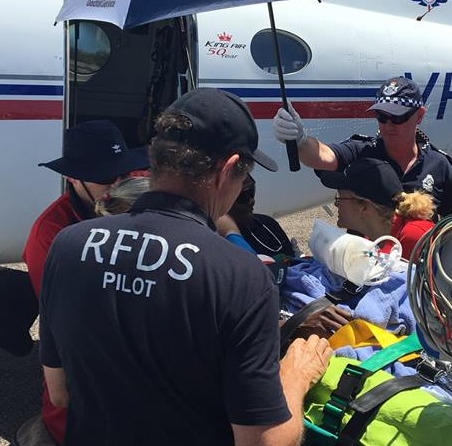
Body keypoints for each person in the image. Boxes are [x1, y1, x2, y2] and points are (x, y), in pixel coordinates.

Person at [38, 88, 332, 446]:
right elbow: (263, 442)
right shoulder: (241, 276)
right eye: (244, 179)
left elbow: (60, 393)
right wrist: (296, 375)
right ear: (226, 170)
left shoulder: (69, 245)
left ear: (156, 159)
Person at [19, 119, 149, 446]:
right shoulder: (48, 237)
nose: (117, 185)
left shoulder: (134, 189)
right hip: (83, 401)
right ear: (71, 177)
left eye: (124, 173)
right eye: (106, 177)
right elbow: (73, 335)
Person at [273, 76, 452, 217]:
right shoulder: (362, 151)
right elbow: (322, 156)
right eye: (382, 116)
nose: (389, 125)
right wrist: (301, 140)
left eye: (398, 117)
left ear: (419, 115)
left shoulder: (439, 165)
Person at [318, 157, 436, 260]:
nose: (336, 204)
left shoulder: (417, 237)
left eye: (340, 197)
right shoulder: (374, 237)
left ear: (364, 206)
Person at [219, 174, 296, 259]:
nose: (252, 200)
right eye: (243, 196)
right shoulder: (211, 242)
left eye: (252, 191)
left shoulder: (267, 225)